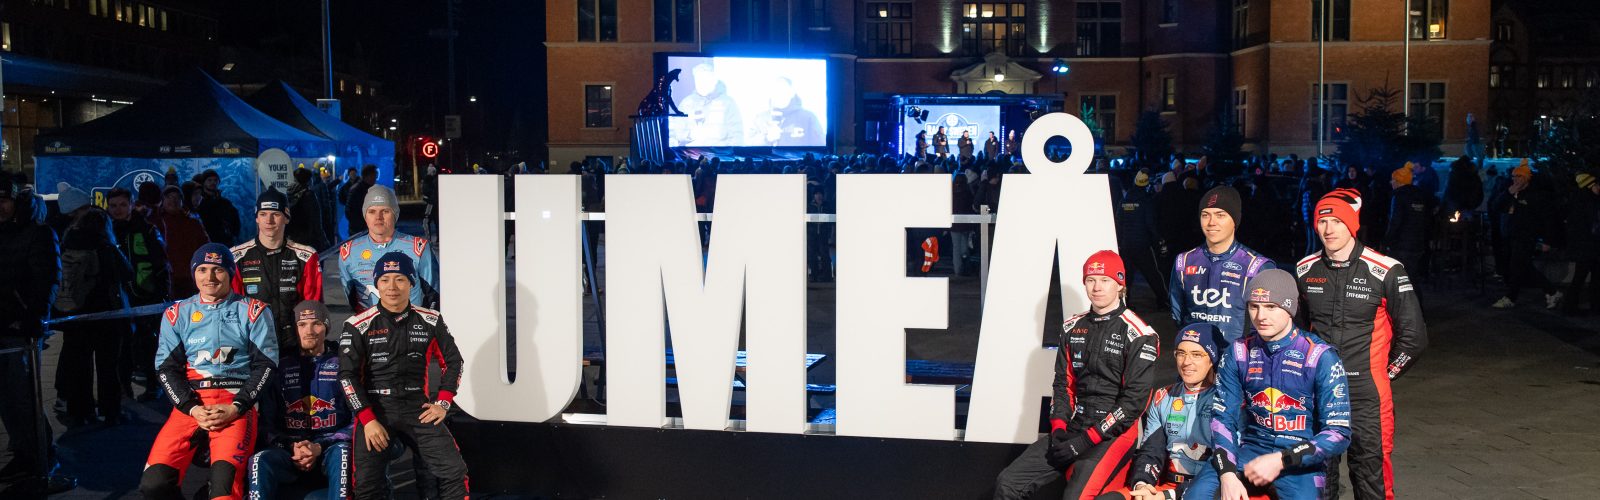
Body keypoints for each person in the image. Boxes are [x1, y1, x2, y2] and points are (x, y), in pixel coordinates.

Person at [1295, 188, 1427, 500]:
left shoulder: (1387, 270)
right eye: (1322, 222)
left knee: (1371, 479)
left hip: (1367, 396)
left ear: (1352, 224)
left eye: (1337, 222)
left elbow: (1414, 338)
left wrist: (1384, 374)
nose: (1329, 229)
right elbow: (1297, 334)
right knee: (1317, 480)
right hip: (1318, 393)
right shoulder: (1304, 269)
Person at [993, 251, 1159, 499]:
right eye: (1091, 280)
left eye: (1105, 280)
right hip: (1075, 424)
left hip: (1116, 434)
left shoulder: (1140, 334)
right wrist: (1059, 427)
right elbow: (1063, 384)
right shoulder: (1072, 327)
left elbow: (1134, 403)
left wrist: (1085, 441)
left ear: (1120, 284)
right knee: (1008, 483)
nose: (1097, 287)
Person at [140, 243, 279, 500]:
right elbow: (166, 369)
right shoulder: (176, 313)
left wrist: (237, 407)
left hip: (236, 405)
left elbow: (266, 366)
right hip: (192, 405)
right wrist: (191, 407)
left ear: (231, 273)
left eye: (218, 270)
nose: (210, 277)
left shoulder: (255, 311)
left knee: (223, 492)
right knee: (153, 485)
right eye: (202, 270)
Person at [1199, 269, 1351, 500]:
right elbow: (1222, 418)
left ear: (1290, 309)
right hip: (1248, 451)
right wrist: (1227, 473)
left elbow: (1339, 432)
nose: (1261, 316)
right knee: (1197, 495)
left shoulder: (1320, 356)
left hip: (1300, 461)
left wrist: (1282, 459)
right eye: (1254, 306)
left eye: (1271, 307)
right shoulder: (1238, 352)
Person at [339, 252, 469, 499]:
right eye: (385, 279)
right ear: (376, 284)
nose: (392, 287)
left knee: (454, 471)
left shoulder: (431, 320)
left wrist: (443, 403)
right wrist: (367, 419)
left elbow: (455, 362)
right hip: (375, 410)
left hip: (418, 408)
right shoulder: (356, 324)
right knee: (366, 486)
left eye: (400, 279)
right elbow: (347, 377)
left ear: (411, 283)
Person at [0, 175, 77, 493]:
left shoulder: (38, 233)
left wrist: (34, 319)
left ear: (16, 200)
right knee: (6, 400)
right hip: (3, 326)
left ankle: (42, 458)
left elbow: (48, 278)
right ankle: (23, 454)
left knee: (24, 398)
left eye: (4, 200)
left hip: (20, 330)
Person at [1097, 323, 1223, 500]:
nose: (1186, 362)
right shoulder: (1163, 396)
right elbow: (1151, 450)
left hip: (1206, 489)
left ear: (1213, 359)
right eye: (1181, 353)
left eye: (1196, 354)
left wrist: (1169, 495)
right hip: (1167, 485)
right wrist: (1142, 483)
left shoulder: (1225, 399)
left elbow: (1225, 463)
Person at [248, 300, 351, 499]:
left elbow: (357, 420)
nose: (309, 331)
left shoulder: (343, 364)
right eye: (302, 324)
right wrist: (291, 446)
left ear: (327, 327)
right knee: (260, 460)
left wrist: (320, 446)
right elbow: (266, 424)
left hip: (330, 449)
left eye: (317, 323)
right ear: (294, 329)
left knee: (343, 454)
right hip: (289, 451)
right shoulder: (279, 366)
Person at [52, 183, 135, 426]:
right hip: (106, 314)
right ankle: (111, 411)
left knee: (80, 365)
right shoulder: (105, 246)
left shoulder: (68, 243)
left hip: (76, 314)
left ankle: (81, 411)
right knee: (108, 366)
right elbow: (126, 273)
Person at [1169, 186, 1275, 343]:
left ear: (1235, 220)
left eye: (1220, 215)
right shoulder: (1183, 261)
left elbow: (1268, 322)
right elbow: (1177, 314)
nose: (1212, 222)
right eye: (1205, 215)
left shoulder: (1257, 265)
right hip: (1197, 352)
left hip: (1238, 353)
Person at [231, 189, 324, 349]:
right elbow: (233, 307)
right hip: (254, 344)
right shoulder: (237, 257)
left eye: (275, 214)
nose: (269, 220)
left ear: (286, 218)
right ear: (257, 218)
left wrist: (311, 343)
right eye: (263, 214)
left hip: (295, 344)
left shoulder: (306, 256)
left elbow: (313, 304)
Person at [107, 187, 171, 402]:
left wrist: (161, 295)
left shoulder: (147, 229)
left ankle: (154, 385)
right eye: (113, 205)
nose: (118, 210)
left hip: (146, 296)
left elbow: (161, 264)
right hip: (117, 297)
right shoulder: (106, 231)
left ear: (131, 205)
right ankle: (123, 388)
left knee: (148, 344)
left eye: (122, 205)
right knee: (122, 345)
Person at [339, 184, 440, 312]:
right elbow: (352, 299)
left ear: (395, 214)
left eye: (385, 211)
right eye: (372, 211)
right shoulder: (348, 252)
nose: (378, 217)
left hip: (410, 322)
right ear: (365, 215)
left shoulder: (418, 248)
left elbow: (435, 295)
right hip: (370, 323)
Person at [1490, 163, 1562, 309]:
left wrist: (1547, 240)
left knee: (1519, 266)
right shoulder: (1510, 192)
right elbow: (1495, 207)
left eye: (1519, 176)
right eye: (1513, 176)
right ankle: (1550, 292)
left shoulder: (1535, 196)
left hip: (1526, 236)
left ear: (1527, 178)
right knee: (1520, 267)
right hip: (1511, 234)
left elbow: (1547, 219)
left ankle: (1512, 297)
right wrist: (1508, 193)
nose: (1515, 179)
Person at [151, 184, 211, 300]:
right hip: (167, 277)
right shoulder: (155, 222)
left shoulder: (193, 222)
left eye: (177, 197)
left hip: (190, 276)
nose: (173, 201)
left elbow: (205, 245)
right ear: (163, 200)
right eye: (169, 197)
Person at [1116, 169, 1166, 308]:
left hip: (1126, 245)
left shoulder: (1124, 201)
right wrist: (1158, 239)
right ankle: (1163, 301)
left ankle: (1124, 303)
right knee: (1152, 274)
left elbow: (1118, 222)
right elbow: (1151, 224)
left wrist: (1120, 242)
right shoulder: (1146, 201)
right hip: (1142, 245)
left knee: (1126, 277)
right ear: (1147, 184)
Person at [1384, 164, 1436, 278]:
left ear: (1398, 181)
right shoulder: (1421, 196)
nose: (1391, 182)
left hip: (1401, 245)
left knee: (1397, 278)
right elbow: (1427, 219)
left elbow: (1395, 221)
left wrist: (1387, 241)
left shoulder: (1398, 196)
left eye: (1393, 179)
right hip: (1418, 244)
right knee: (1412, 277)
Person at [676, 62, 743, 146]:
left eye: (705, 80)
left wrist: (722, 152)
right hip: (692, 153)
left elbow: (737, 137)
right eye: (698, 80)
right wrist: (690, 136)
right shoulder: (686, 103)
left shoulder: (728, 103)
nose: (701, 84)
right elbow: (676, 133)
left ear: (714, 81)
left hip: (720, 153)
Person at [1563, 173, 1600, 315]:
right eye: (1596, 185)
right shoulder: (1589, 203)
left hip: (1586, 246)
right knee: (1584, 277)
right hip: (1589, 246)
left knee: (1584, 277)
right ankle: (1573, 306)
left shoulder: (1579, 200)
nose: (1598, 188)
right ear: (1590, 186)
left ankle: (1573, 306)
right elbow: (1593, 225)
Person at [759, 77, 822, 147]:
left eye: (783, 90)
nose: (779, 94)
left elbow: (819, 147)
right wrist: (767, 139)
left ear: (792, 93)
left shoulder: (808, 117)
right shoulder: (760, 118)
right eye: (775, 90)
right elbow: (751, 144)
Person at [195, 169, 242, 245]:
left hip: (225, 243)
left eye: (215, 180)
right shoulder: (198, 203)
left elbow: (235, 218)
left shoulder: (225, 203)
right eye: (209, 180)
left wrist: (232, 234)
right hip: (206, 244)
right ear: (204, 182)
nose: (213, 183)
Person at [286, 168, 328, 251]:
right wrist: (322, 239)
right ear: (308, 181)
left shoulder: (289, 193)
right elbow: (315, 219)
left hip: (293, 237)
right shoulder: (309, 195)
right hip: (309, 238)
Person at [343, 165, 378, 240]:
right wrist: (362, 225)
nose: (376, 178)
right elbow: (349, 212)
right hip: (359, 232)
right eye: (374, 175)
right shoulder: (356, 190)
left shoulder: (373, 189)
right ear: (368, 176)